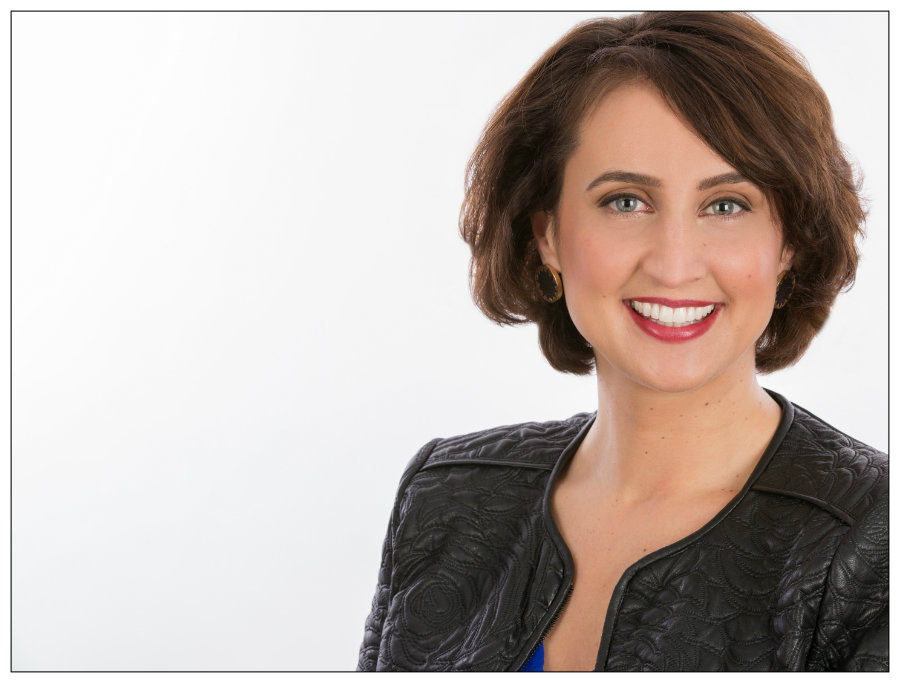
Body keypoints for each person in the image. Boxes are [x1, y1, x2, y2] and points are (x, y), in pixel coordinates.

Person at [357, 11, 887, 672]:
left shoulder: (875, 541)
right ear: (547, 233)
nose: (674, 263)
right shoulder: (448, 495)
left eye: (726, 204)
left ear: (789, 245)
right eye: (625, 201)